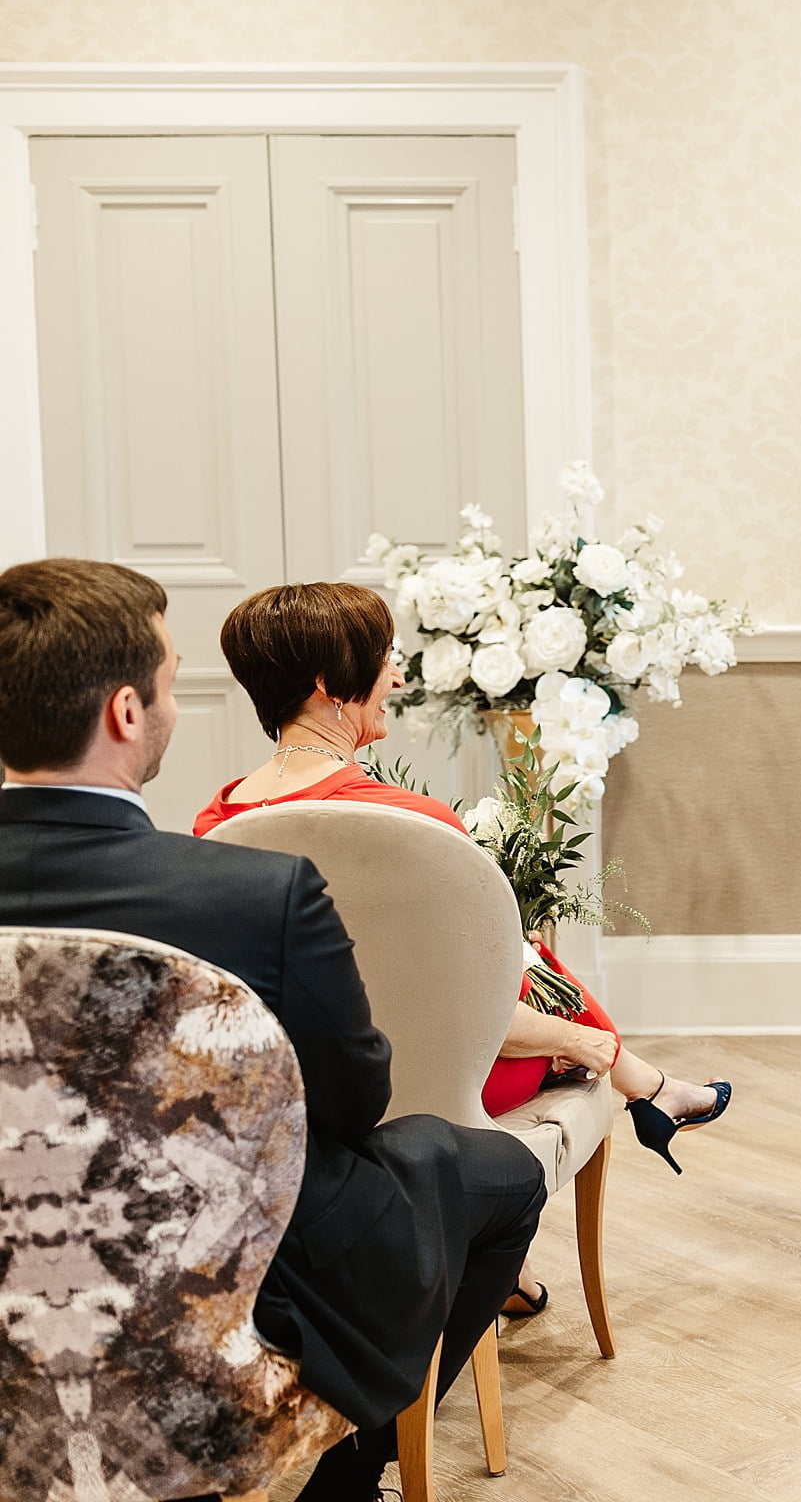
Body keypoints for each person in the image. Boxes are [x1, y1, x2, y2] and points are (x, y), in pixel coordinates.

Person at [0, 558, 546, 1502]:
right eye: (171, 681)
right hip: (214, 1326)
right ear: (128, 714)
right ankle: (351, 1467)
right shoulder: (256, 896)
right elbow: (348, 1104)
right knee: (491, 1169)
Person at [195, 579, 733, 1317]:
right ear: (328, 685)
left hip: (300, 1093)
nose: (396, 677)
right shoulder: (409, 824)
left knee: (521, 960)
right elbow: (470, 1024)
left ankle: (637, 1096)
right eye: (384, 660)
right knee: (529, 976)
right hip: (434, 1096)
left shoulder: (216, 822)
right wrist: (581, 1038)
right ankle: (635, 1085)